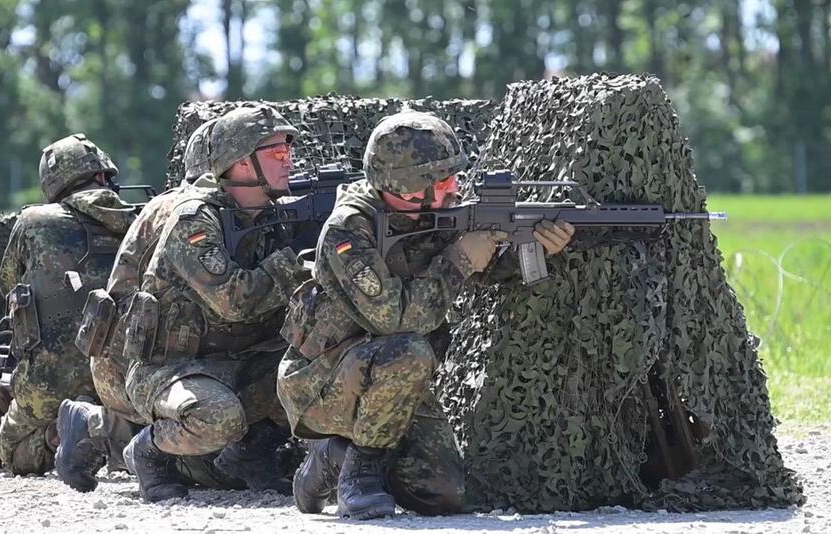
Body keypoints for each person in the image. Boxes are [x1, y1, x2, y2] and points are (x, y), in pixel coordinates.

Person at [277, 111, 575, 519]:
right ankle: (357, 473)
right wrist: (459, 258)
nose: (451, 189)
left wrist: (538, 247)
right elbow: (393, 319)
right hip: (319, 383)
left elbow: (486, 268)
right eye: (438, 181)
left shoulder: (434, 213)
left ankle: (339, 455)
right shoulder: (349, 230)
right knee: (411, 349)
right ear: (402, 183)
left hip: (393, 385)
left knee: (443, 494)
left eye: (451, 178)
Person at [120, 106, 309, 503]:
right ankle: (148, 451)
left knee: (314, 372)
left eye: (289, 150)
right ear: (241, 163)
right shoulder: (194, 219)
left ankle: (248, 455)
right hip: (170, 370)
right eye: (277, 152)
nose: (289, 161)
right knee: (218, 417)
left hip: (241, 362)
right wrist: (291, 265)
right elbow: (233, 301)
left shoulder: (272, 216)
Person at [54, 119, 222, 492]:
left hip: (140, 354)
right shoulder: (192, 211)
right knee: (203, 452)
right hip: (132, 362)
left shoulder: (177, 204)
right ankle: (98, 426)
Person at [0, 134, 136, 475]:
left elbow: (7, 285)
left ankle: (56, 435)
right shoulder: (138, 223)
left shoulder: (34, 223)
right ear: (104, 176)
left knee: (12, 451)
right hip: (122, 382)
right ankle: (96, 425)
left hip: (48, 381)